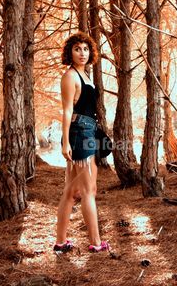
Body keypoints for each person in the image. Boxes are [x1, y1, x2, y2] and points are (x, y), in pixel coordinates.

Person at [53, 31, 110, 253]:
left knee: (72, 191)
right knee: (88, 190)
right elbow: (67, 111)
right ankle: (96, 243)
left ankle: (60, 242)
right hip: (78, 133)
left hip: (87, 131)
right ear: (70, 52)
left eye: (86, 49)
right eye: (77, 49)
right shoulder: (70, 77)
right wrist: (65, 141)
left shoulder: (85, 75)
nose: (82, 53)